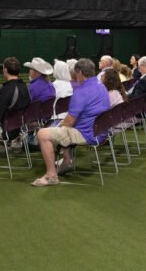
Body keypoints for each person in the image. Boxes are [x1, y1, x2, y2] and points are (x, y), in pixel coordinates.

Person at [32, 58, 110, 186]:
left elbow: (69, 122)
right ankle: (66, 162)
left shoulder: (81, 92)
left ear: (79, 73)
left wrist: (59, 126)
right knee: (62, 130)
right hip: (100, 131)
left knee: (43, 134)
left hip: (88, 134)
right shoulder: (102, 87)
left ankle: (51, 175)